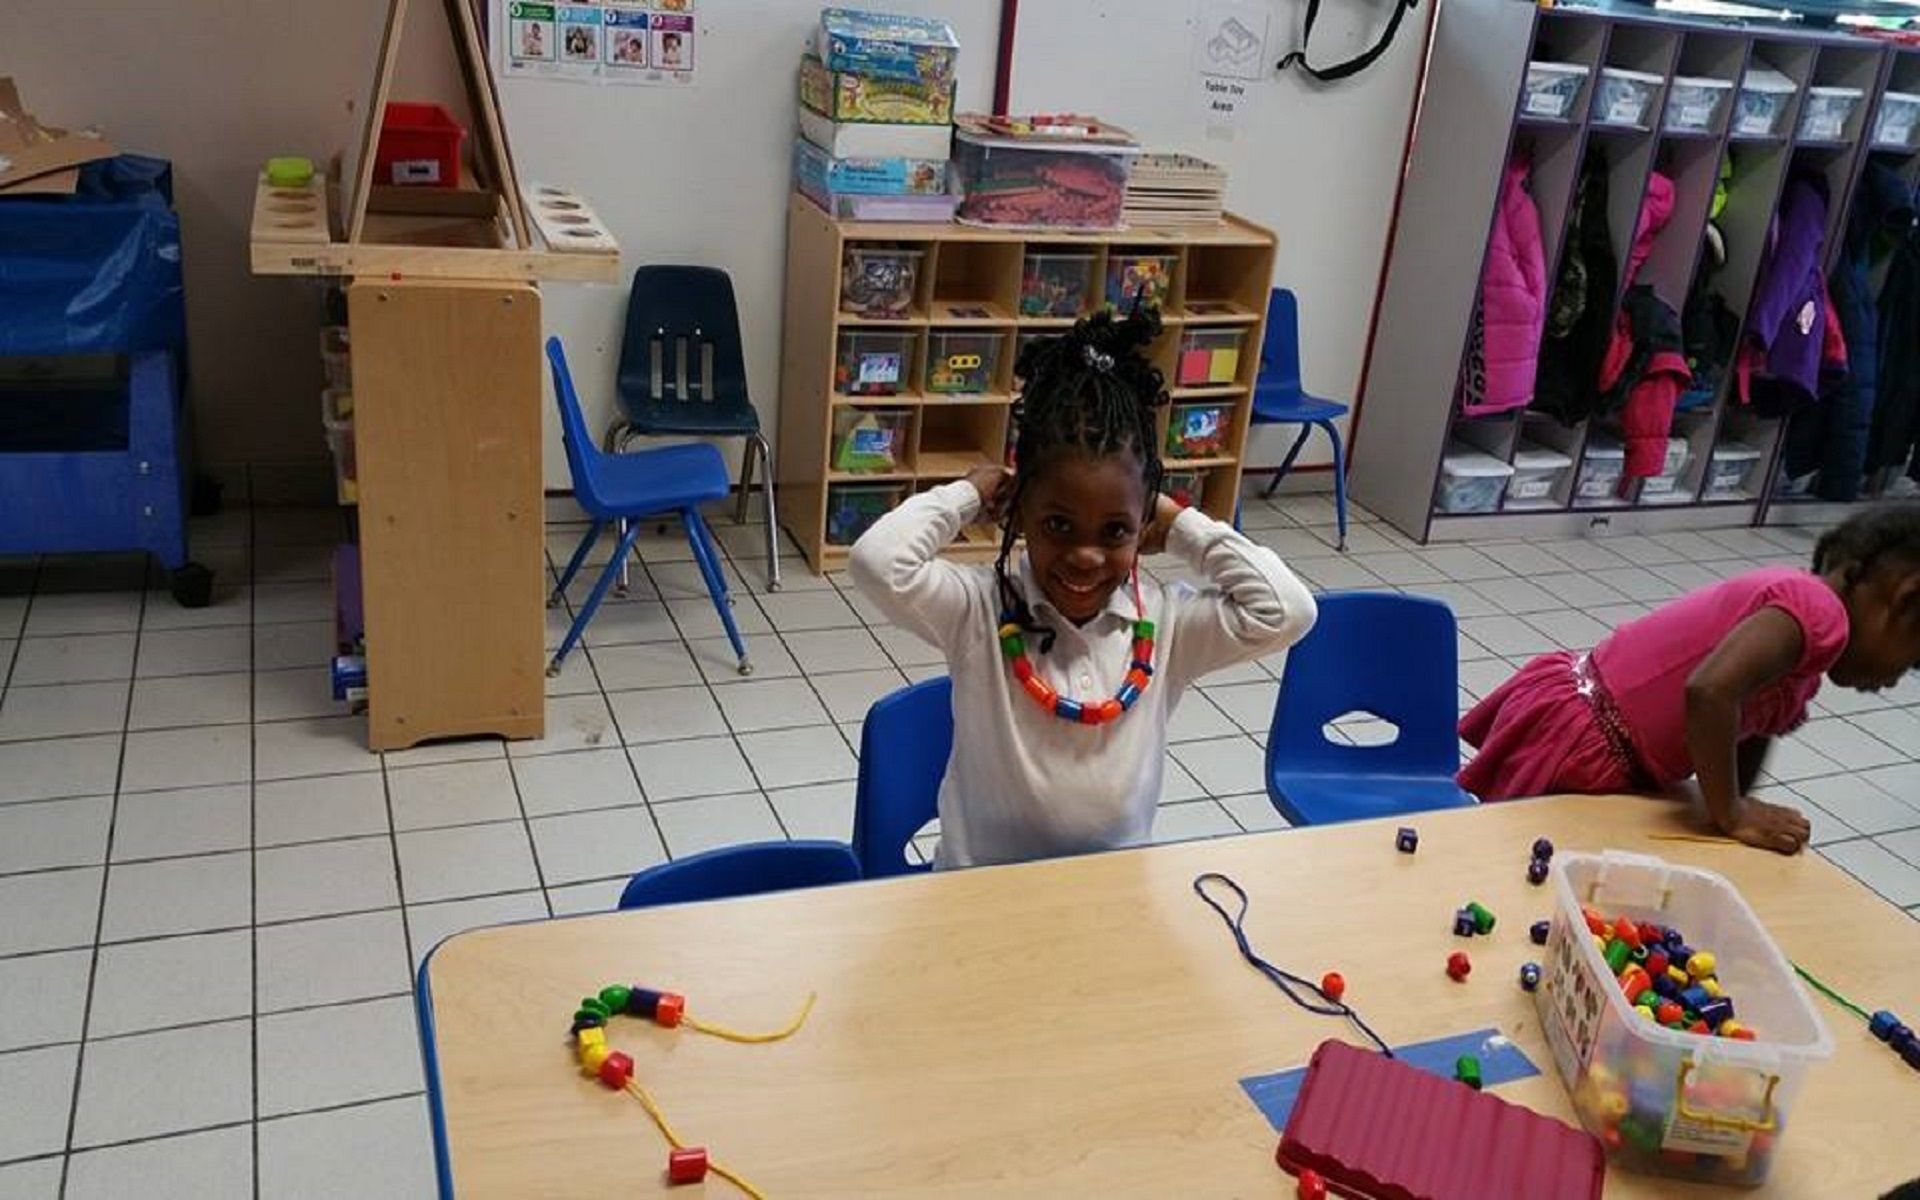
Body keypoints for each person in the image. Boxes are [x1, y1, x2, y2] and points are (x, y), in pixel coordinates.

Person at [849, 308, 1317, 868]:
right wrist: (969, 494)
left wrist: (1180, 524)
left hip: (1109, 894)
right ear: (1020, 514)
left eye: (1114, 530)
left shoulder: (1165, 627)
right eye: (1058, 525)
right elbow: (877, 561)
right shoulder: (978, 611)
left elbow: (1288, 611)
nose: (1086, 555)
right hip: (978, 896)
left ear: (1144, 525)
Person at [1459, 505, 1920, 854]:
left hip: (1594, 731)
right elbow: (1710, 692)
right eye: (1914, 659)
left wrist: (1733, 808)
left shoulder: (1801, 651)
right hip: (1588, 741)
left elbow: (1748, 727)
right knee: (1514, 863)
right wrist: (1733, 814)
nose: (1898, 678)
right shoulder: (1819, 613)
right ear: (1905, 599)